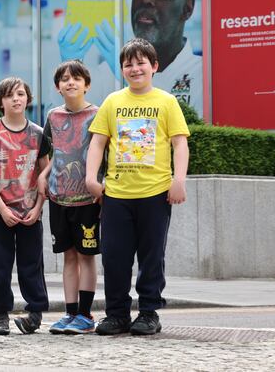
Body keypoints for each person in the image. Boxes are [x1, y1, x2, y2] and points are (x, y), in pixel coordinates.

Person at [85, 38, 190, 336]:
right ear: (122, 69)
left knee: (151, 256)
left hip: (156, 193)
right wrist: (91, 177)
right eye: (128, 64)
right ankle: (117, 314)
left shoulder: (166, 102)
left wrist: (178, 179)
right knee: (115, 257)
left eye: (141, 62)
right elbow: (98, 142)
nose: (135, 68)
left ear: (154, 66)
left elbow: (179, 144)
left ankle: (148, 312)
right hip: (116, 194)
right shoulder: (113, 102)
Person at [59, 0, 202, 113]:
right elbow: (65, 124)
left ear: (187, 9)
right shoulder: (108, 72)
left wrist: (129, 81)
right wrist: (69, 69)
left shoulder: (204, 76)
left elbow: (181, 132)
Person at [0, 77, 51, 336]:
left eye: (20, 94)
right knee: (1, 264)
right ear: (1, 102)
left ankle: (35, 313)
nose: (16, 99)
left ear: (28, 99)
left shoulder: (40, 134)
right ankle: (1, 314)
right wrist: (3, 209)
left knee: (32, 263)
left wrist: (38, 207)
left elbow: (45, 173)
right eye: (10, 95)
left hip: (31, 210)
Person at [37, 60, 102, 335]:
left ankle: (86, 315)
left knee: (87, 256)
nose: (70, 82)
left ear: (87, 85)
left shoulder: (98, 114)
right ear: (58, 87)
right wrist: (44, 174)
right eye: (64, 79)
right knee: (68, 257)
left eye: (76, 78)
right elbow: (57, 152)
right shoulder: (53, 116)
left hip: (88, 199)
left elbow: (102, 154)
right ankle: (70, 312)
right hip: (59, 197)